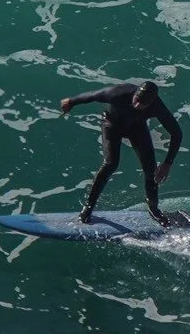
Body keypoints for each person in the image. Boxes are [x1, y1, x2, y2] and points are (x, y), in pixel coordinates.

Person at [59, 79, 182, 226]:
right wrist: (71, 102)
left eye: (142, 104)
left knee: (150, 169)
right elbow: (92, 95)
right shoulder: (118, 93)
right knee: (110, 163)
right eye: (136, 100)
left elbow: (177, 133)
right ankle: (88, 207)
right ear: (135, 94)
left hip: (136, 128)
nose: (136, 105)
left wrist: (168, 163)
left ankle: (154, 209)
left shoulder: (157, 106)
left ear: (150, 103)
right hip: (112, 125)